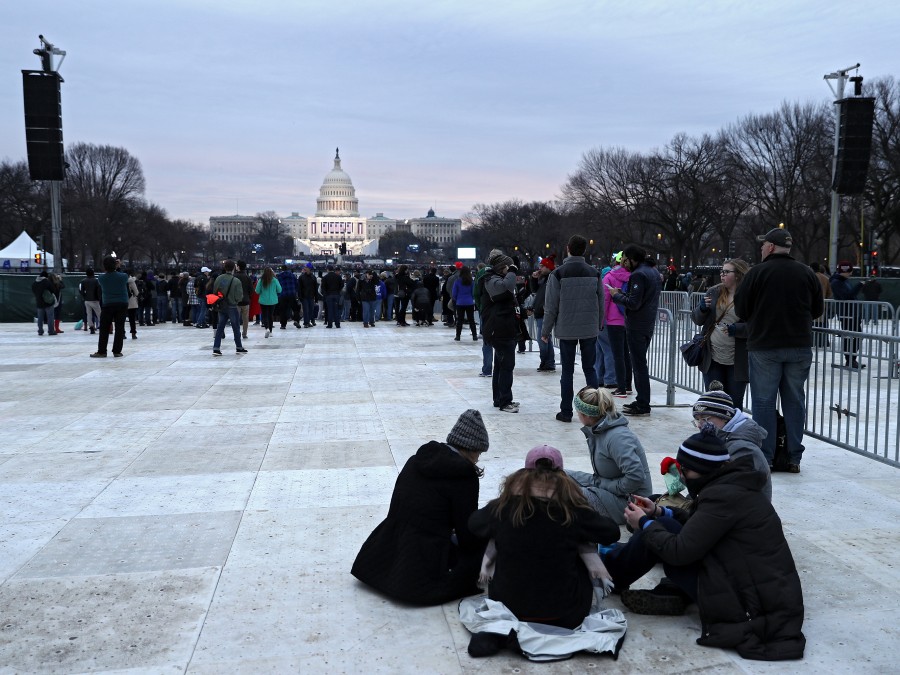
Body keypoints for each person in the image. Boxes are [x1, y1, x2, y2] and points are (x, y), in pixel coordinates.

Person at [602, 429, 805, 661]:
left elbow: (678, 552)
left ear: (704, 469)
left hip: (746, 604)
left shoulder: (722, 496)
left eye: (685, 470)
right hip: (748, 587)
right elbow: (703, 525)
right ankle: (618, 573)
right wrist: (658, 511)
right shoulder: (732, 486)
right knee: (663, 522)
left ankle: (608, 577)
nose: (683, 476)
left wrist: (644, 523)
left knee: (656, 533)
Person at [466, 445, 620, 656]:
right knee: (581, 545)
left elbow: (474, 524)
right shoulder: (572, 510)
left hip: (510, 608)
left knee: (502, 541)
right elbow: (611, 533)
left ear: (524, 475)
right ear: (561, 476)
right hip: (566, 616)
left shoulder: (504, 508)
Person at [351, 409, 490, 605]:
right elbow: (467, 535)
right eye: (479, 453)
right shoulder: (464, 476)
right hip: (424, 560)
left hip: (388, 547)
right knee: (487, 546)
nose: (478, 459)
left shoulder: (416, 460)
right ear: (471, 449)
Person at [734, 228, 823, 473]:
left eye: (763, 245)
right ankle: (794, 456)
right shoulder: (806, 273)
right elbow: (817, 310)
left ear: (771, 247)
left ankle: (766, 456)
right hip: (799, 345)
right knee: (794, 401)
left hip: (765, 345)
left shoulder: (757, 273)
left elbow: (741, 308)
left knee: (763, 402)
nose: (761, 248)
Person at [565, 386, 652, 524]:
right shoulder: (599, 430)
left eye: (578, 411)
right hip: (611, 489)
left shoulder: (618, 437)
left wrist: (605, 485)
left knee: (566, 495)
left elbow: (636, 477)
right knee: (556, 474)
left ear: (586, 415)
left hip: (630, 504)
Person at [541, 235, 603, 423]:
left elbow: (551, 305)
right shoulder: (594, 273)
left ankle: (566, 411)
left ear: (568, 248)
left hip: (566, 328)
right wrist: (598, 324)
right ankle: (596, 409)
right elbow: (601, 301)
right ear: (584, 250)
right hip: (589, 327)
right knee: (590, 369)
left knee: (567, 371)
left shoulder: (558, 274)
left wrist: (545, 331)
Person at [691, 383, 771, 501]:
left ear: (724, 417)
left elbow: (724, 490)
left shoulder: (744, 449)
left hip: (742, 514)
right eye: (697, 420)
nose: (700, 425)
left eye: (706, 419)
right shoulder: (721, 441)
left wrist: (692, 474)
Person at [608, 244, 661, 416]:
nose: (622, 262)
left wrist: (616, 295)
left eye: (624, 259)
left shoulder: (639, 274)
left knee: (639, 366)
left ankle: (643, 403)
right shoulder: (652, 272)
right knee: (639, 364)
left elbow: (633, 302)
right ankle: (642, 400)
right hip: (647, 323)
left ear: (632, 259)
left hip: (637, 325)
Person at [690, 259, 750, 408]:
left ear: (738, 275)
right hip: (713, 355)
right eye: (721, 272)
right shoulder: (714, 292)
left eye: (726, 272)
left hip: (737, 358)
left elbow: (757, 325)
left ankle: (732, 431)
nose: (722, 275)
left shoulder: (749, 296)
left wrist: (738, 329)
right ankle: (714, 431)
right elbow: (697, 319)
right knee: (714, 401)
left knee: (734, 403)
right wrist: (702, 309)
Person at [481, 249, 520, 413]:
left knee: (500, 365)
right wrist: (512, 270)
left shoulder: (495, 279)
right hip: (499, 329)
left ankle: (499, 398)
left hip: (503, 328)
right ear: (501, 267)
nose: (509, 270)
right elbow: (508, 287)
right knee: (506, 366)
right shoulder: (492, 280)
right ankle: (505, 401)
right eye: (507, 267)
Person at [605, 251, 632, 398]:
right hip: (628, 319)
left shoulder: (609, 277)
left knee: (617, 355)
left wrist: (602, 319)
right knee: (627, 354)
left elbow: (605, 300)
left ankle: (620, 387)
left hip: (613, 320)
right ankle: (628, 385)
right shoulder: (632, 277)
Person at [91, 256, 129, 358]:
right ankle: (117, 351)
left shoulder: (101, 278)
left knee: (104, 328)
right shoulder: (123, 276)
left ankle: (102, 351)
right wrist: (118, 266)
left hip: (108, 304)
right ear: (115, 265)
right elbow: (123, 275)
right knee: (120, 327)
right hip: (122, 303)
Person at [829, 261, 864, 368]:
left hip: (852, 313)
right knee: (850, 337)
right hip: (847, 314)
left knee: (856, 337)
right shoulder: (837, 282)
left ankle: (852, 359)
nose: (851, 273)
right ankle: (850, 359)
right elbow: (847, 296)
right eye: (849, 271)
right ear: (844, 271)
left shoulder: (844, 281)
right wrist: (859, 285)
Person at [211, 259, 246, 357]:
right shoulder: (236, 281)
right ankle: (239, 346)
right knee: (236, 327)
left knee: (220, 327)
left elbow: (215, 291)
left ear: (224, 267)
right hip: (232, 306)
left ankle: (216, 348)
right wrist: (235, 300)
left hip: (222, 305)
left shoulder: (219, 278)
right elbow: (239, 296)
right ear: (234, 268)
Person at [529, 255, 556, 371]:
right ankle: (548, 362)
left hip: (545, 312)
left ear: (548, 267)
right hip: (540, 311)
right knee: (545, 339)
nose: (540, 269)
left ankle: (546, 361)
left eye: (542, 266)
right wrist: (534, 279)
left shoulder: (552, 278)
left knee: (543, 338)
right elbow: (534, 290)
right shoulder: (544, 278)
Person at [473, 262, 493, 377]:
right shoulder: (503, 273)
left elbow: (475, 293)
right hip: (500, 311)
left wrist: (480, 306)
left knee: (487, 342)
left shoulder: (481, 275)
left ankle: (487, 369)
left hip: (486, 310)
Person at [451, 265, 478, 341]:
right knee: (471, 320)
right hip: (469, 302)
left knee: (459, 320)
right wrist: (472, 299)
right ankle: (474, 335)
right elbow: (473, 292)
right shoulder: (471, 282)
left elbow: (454, 293)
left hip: (460, 303)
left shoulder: (457, 281)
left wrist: (456, 299)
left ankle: (458, 336)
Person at [254, 266, 281, 338]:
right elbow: (279, 290)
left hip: (263, 300)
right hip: (273, 300)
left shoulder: (261, 280)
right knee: (270, 315)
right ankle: (271, 331)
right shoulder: (275, 280)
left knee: (264, 315)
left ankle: (267, 328)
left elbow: (257, 291)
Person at [32, 271, 57, 336]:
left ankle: (40, 331)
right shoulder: (46, 282)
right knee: (50, 317)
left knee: (40, 318)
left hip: (39, 302)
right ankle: (51, 331)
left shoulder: (35, 282)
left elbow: (33, 291)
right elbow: (53, 290)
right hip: (48, 302)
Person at [79, 268, 102, 334]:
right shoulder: (96, 281)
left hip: (87, 300)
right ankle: (102, 326)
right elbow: (99, 290)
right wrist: (98, 297)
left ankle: (91, 327)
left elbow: (80, 289)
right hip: (95, 300)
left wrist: (84, 296)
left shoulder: (83, 281)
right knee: (99, 314)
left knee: (89, 314)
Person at [234, 260, 253, 339]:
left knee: (236, 319)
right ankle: (244, 333)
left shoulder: (234, 277)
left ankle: (237, 333)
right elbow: (251, 290)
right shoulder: (247, 277)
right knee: (245, 319)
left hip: (236, 301)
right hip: (245, 300)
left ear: (238, 266)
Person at [298, 263, 319, 327]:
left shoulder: (313, 277)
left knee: (310, 310)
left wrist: (316, 297)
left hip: (311, 296)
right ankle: (306, 323)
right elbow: (299, 288)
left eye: (306, 267)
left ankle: (308, 321)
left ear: (309, 269)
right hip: (304, 296)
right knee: (306, 310)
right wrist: (300, 296)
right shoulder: (301, 277)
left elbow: (315, 288)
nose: (305, 268)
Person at [126, 269, 140, 339]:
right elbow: (136, 292)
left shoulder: (120, 280)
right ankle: (133, 333)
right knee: (132, 318)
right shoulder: (131, 281)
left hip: (122, 301)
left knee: (121, 319)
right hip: (131, 301)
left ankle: (122, 333)